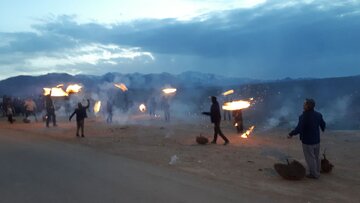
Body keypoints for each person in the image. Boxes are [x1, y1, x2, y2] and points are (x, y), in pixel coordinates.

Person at [288, 98, 326, 179]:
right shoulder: (318, 114)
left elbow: (299, 129)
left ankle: (314, 174)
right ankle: (317, 171)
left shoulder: (303, 117)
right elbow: (323, 124)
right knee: (316, 156)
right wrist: (322, 128)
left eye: (304, 104)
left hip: (307, 141)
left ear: (308, 106)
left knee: (310, 158)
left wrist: (291, 134)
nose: (303, 105)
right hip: (316, 140)